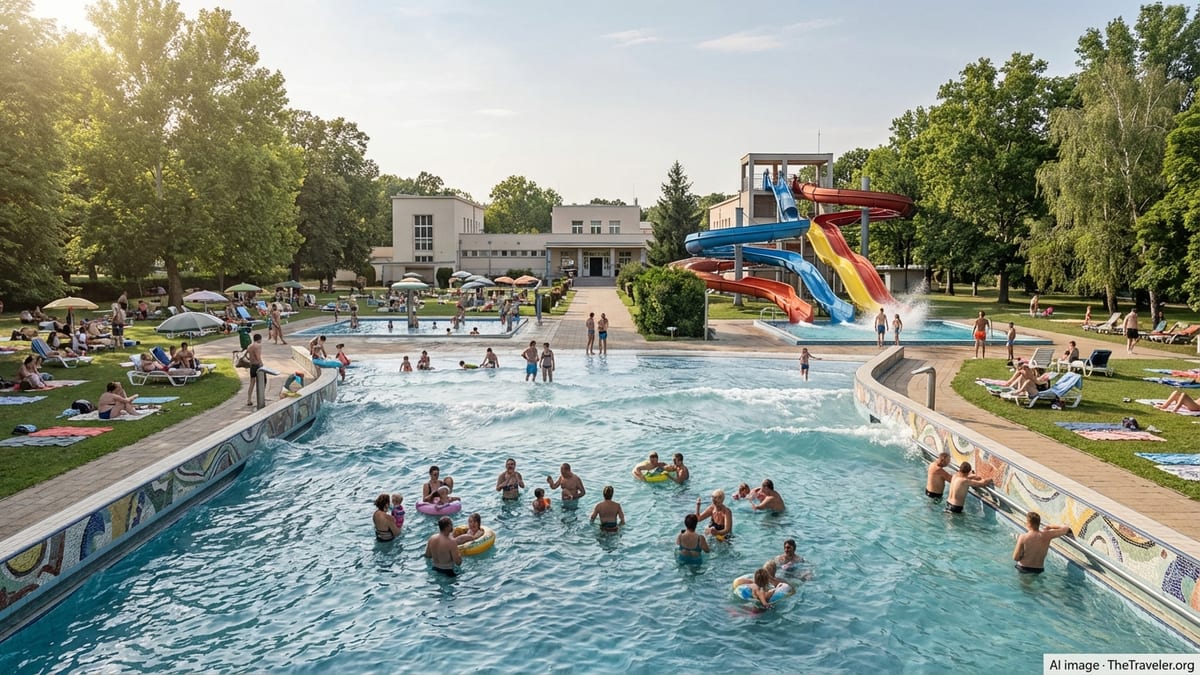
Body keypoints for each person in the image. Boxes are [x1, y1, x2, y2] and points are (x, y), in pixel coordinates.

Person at [245, 333, 263, 406]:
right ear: (259, 339)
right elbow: (258, 356)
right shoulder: (258, 346)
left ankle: (249, 399)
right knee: (262, 381)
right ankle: (261, 398)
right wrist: (261, 364)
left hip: (252, 366)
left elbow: (245, 354)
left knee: (252, 383)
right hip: (257, 365)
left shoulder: (249, 346)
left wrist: (249, 358)